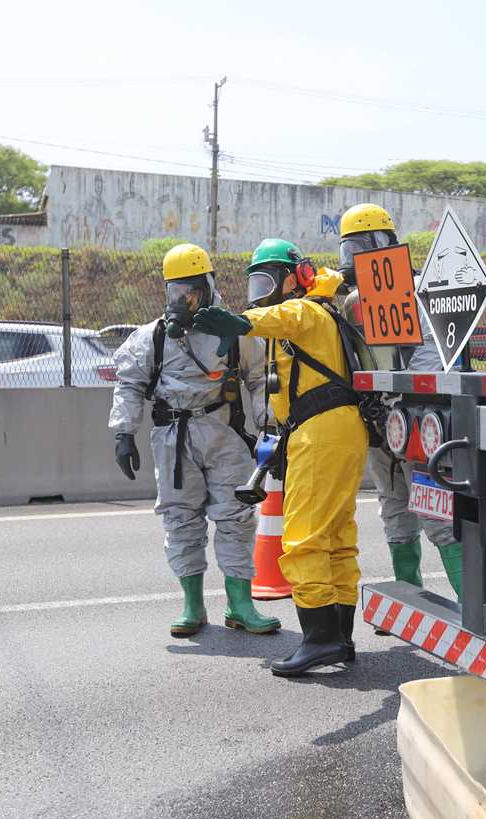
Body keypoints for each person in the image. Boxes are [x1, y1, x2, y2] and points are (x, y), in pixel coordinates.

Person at [193, 238, 369, 677]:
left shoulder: (306, 311)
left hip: (322, 430)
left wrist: (237, 319)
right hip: (340, 429)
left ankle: (321, 638)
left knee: (305, 537)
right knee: (336, 536)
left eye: (269, 279)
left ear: (296, 277)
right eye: (255, 282)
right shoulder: (320, 314)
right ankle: (341, 635)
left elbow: (279, 316)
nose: (262, 290)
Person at [109, 243, 280, 638]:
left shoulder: (235, 331)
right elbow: (130, 384)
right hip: (173, 435)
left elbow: (258, 382)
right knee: (179, 518)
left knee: (235, 517)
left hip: (224, 431)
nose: (183, 299)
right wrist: (123, 432)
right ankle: (193, 605)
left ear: (208, 285)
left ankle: (240, 605)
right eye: (175, 291)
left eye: (191, 290)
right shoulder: (152, 337)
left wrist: (269, 432)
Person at [338, 203, 462, 600]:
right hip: (380, 423)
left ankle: (470, 608)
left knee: (437, 513)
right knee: (394, 509)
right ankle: (409, 598)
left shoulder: (421, 290)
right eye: (347, 250)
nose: (352, 260)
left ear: (383, 244)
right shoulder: (354, 302)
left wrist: (404, 408)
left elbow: (431, 362)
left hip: (418, 422)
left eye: (359, 247)